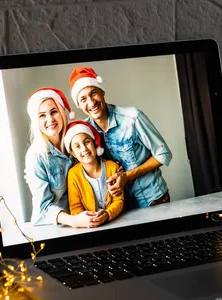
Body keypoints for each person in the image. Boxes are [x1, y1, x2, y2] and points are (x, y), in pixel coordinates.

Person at [68, 67, 172, 208]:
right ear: (79, 106)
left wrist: (127, 176)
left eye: (94, 93)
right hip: (120, 206)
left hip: (153, 198)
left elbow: (163, 154)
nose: (91, 102)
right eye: (83, 99)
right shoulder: (85, 132)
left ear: (102, 92)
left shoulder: (132, 117)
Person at [23, 87, 100, 228]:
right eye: (42, 115)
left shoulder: (77, 140)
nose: (50, 119)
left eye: (53, 112)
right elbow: (44, 207)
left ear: (62, 112)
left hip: (84, 220)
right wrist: (74, 220)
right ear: (36, 121)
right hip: (54, 227)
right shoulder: (36, 156)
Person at [64, 120, 124, 228]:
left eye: (87, 142)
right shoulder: (73, 174)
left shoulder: (112, 167)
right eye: (77, 146)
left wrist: (107, 214)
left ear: (94, 143)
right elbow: (75, 207)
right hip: (88, 227)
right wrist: (88, 220)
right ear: (72, 153)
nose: (84, 149)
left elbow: (118, 201)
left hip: (115, 222)